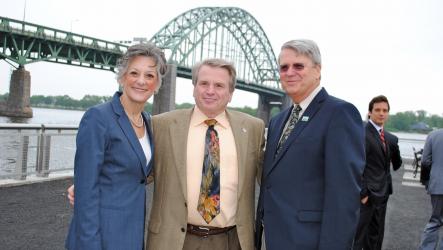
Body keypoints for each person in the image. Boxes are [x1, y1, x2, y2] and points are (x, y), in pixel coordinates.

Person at [69, 58, 265, 250]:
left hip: (232, 241)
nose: (210, 91)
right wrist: (87, 184)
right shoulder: (161, 125)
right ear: (194, 87)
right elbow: (137, 167)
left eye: (219, 85)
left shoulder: (253, 129)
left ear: (231, 93)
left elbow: (272, 179)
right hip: (174, 240)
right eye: (204, 83)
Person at [255, 39, 366, 250]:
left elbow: (343, 198)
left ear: (317, 70)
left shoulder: (340, 114)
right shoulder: (278, 121)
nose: (289, 72)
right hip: (273, 239)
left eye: (299, 66)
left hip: (309, 241)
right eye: (284, 67)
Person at [65, 43, 167, 250]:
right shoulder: (98, 118)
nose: (141, 81)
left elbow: (137, 175)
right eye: (134, 73)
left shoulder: (148, 122)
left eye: (149, 76)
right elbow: (86, 191)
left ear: (157, 84)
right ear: (122, 77)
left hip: (131, 234)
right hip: (99, 236)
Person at [353, 95, 402, 250]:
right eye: (378, 110)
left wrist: (394, 149)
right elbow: (355, 166)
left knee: (376, 237)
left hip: (383, 194)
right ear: (369, 112)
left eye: (385, 110)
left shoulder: (390, 138)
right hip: (366, 196)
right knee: (357, 237)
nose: (381, 113)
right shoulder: (360, 133)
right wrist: (363, 193)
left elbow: (396, 165)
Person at [418, 129, 443, 249]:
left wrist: (427, 181)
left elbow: (425, 161)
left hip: (437, 184)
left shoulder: (433, 135)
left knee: (434, 221)